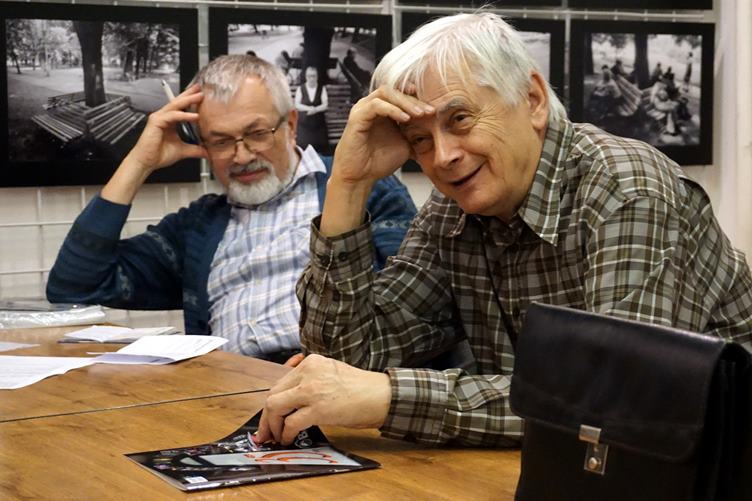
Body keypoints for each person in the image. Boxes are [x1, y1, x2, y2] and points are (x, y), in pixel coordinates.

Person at [255, 13, 752, 446]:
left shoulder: (626, 190)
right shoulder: (452, 210)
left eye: (460, 119)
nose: (443, 157)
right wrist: (349, 183)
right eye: (419, 139)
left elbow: (616, 402)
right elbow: (345, 362)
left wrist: (389, 397)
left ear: (532, 99)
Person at [46, 55, 416, 363]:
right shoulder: (197, 227)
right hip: (228, 396)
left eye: (256, 134)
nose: (241, 156)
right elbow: (74, 285)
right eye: (220, 141)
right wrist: (139, 163)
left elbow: (408, 306)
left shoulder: (362, 187)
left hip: (337, 381)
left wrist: (327, 362)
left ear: (290, 125)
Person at [294, 66, 329, 152]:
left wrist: (315, 110)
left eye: (314, 76)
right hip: (304, 125)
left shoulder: (322, 88)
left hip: (319, 125)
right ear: (306, 77)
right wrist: (309, 108)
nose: (311, 78)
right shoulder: (301, 89)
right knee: (303, 145)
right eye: (309, 76)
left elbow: (325, 105)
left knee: (321, 146)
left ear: (317, 77)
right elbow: (297, 105)